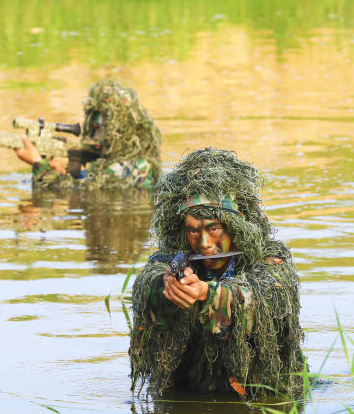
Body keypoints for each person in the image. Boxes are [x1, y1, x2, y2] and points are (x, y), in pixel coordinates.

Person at [129, 148, 305, 397]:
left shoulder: (269, 257)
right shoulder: (176, 256)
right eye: (193, 231)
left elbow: (264, 294)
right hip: (190, 397)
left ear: (236, 225)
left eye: (214, 229)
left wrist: (204, 292)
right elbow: (149, 280)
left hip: (259, 397)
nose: (204, 243)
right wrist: (166, 286)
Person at [15, 79, 162, 191]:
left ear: (122, 131)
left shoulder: (131, 166)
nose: (95, 137)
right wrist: (63, 172)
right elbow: (86, 182)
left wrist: (38, 163)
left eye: (103, 129)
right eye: (95, 128)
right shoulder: (125, 160)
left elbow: (73, 192)